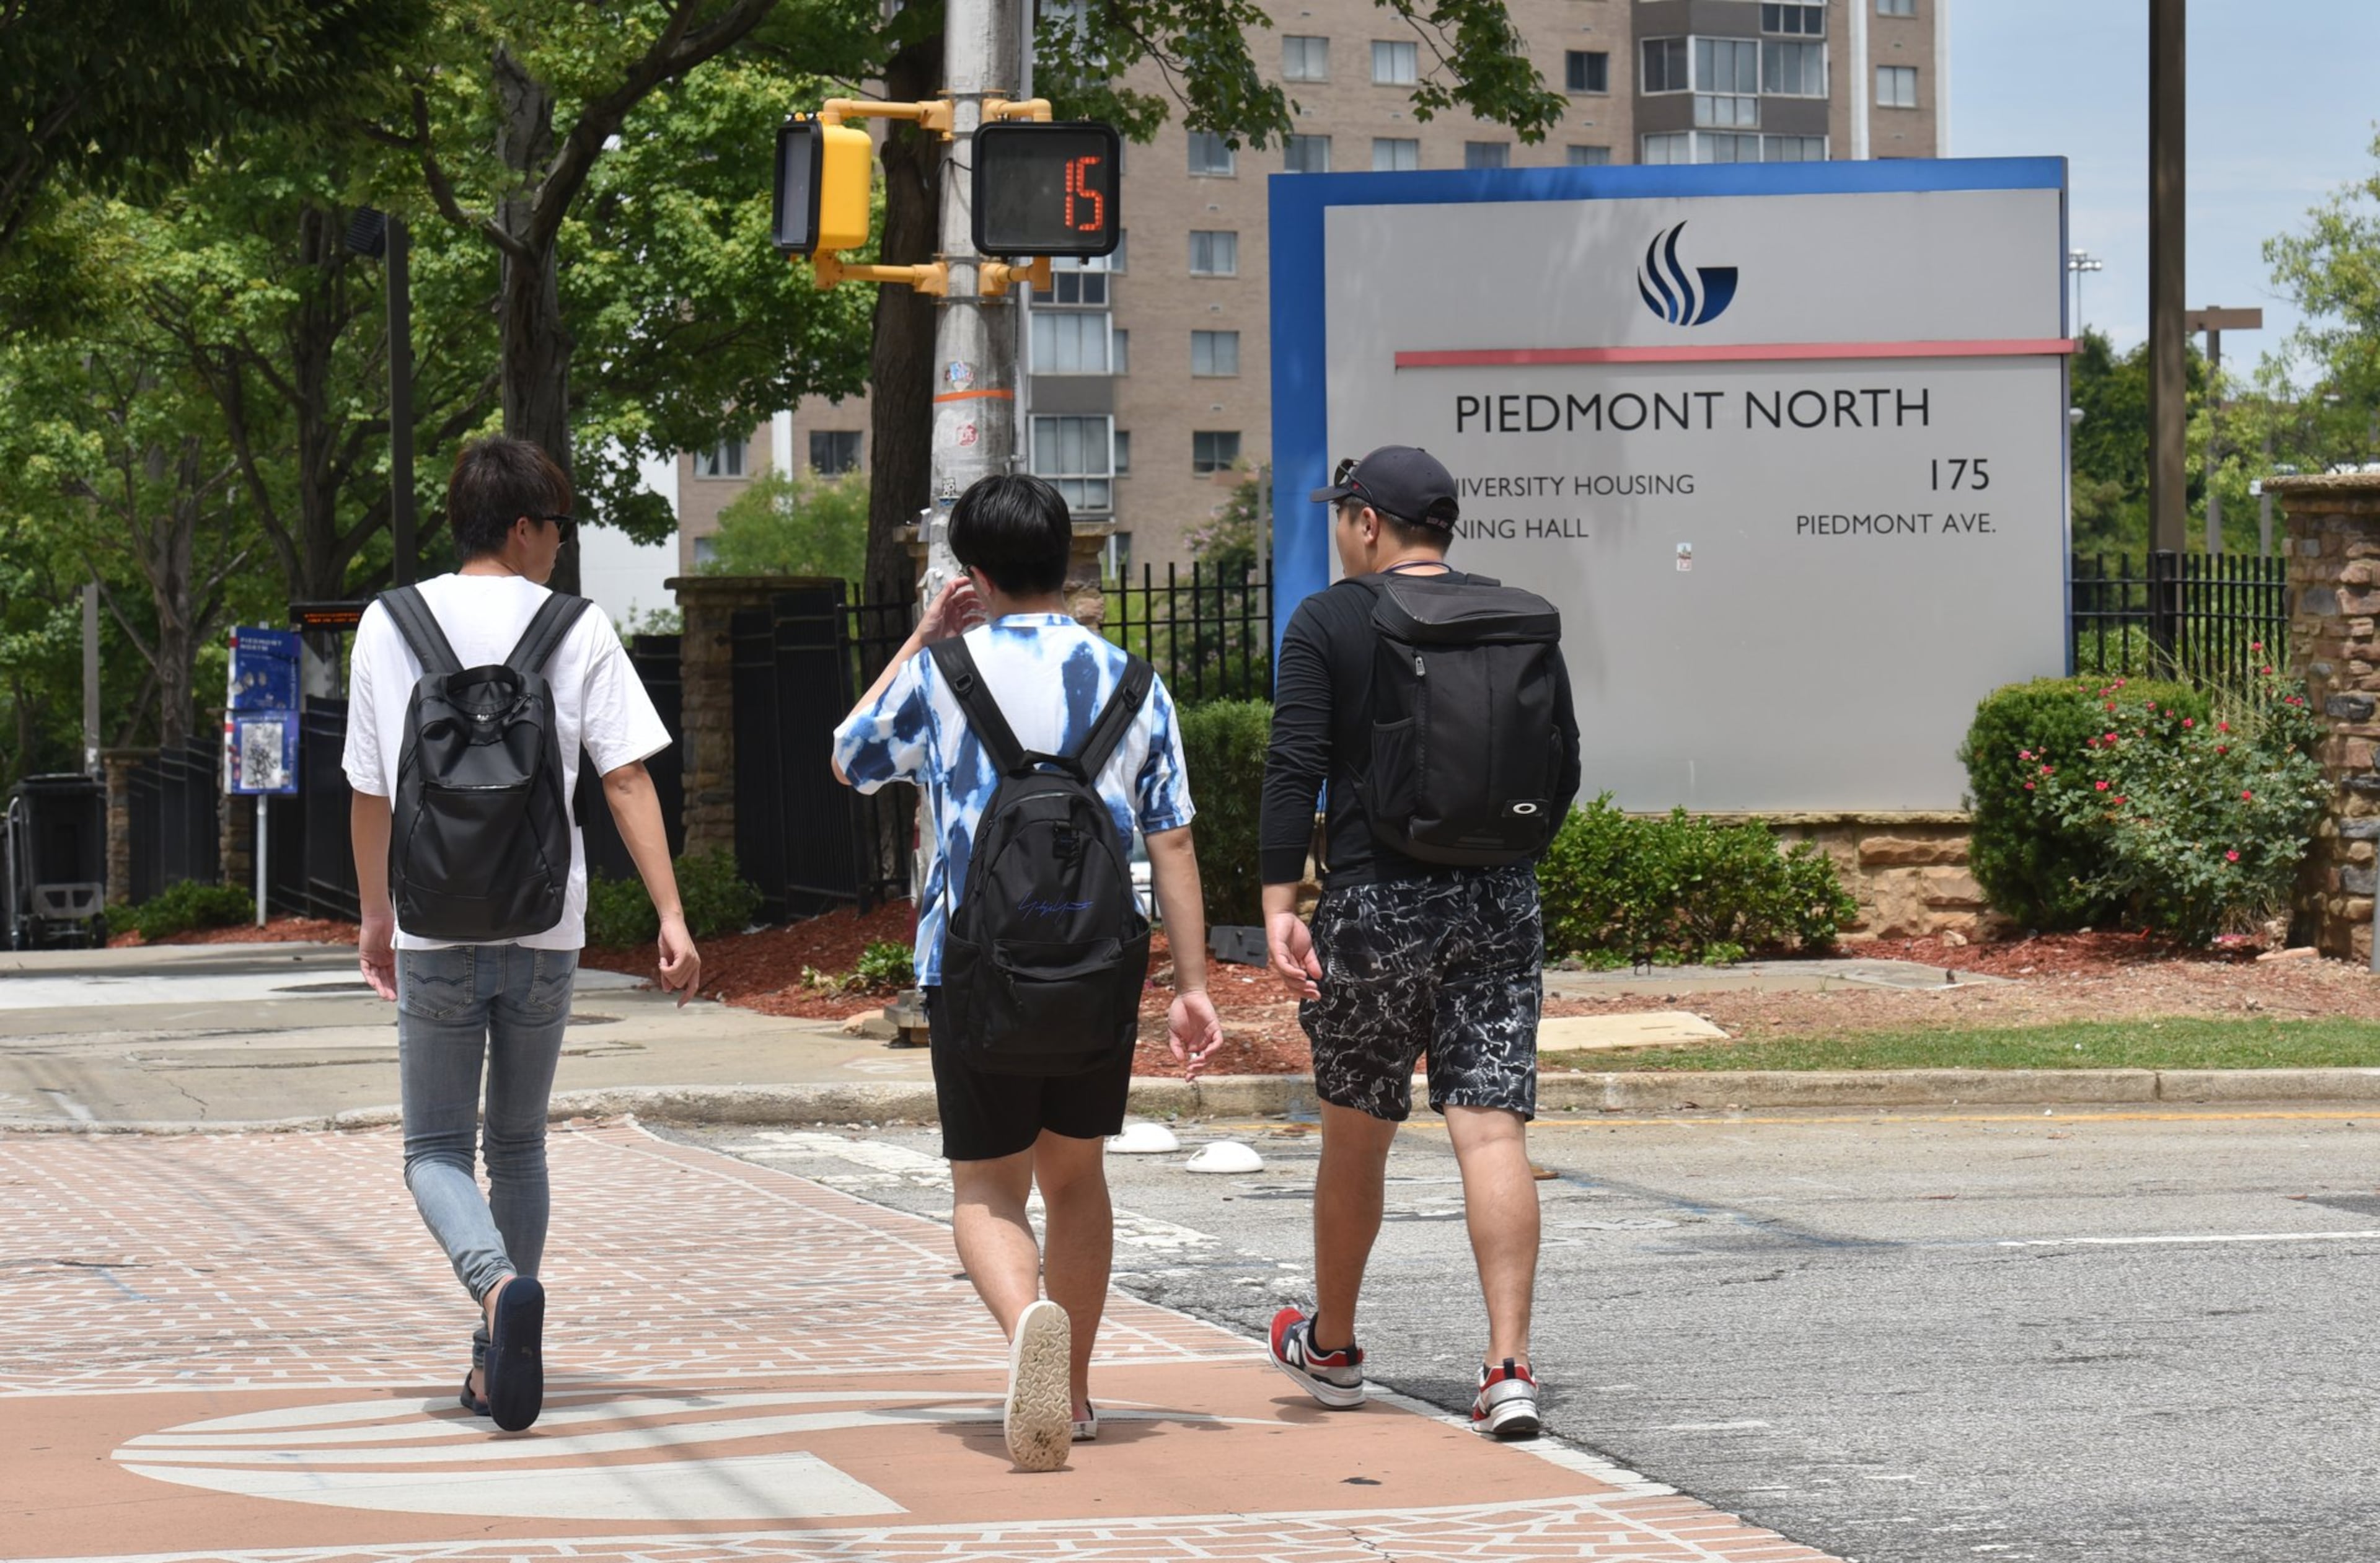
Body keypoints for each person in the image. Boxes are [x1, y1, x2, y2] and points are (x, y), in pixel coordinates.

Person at [832, 473, 1223, 1472]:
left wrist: (924, 634)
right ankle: (1078, 1389)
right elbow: (1172, 841)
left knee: (986, 1188)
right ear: (1068, 558)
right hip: (1098, 969)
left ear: (975, 572)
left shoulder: (945, 674)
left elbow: (851, 757)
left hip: (974, 969)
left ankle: (1026, 1331)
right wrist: (1192, 985)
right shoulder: (1133, 681)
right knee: (1077, 1177)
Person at [345, 437, 700, 1433]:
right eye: (555, 528)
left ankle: (497, 1293)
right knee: (519, 1145)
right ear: (520, 527)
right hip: (548, 926)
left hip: (433, 928)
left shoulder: (389, 621)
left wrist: (377, 916)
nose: (559, 547)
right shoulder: (574, 629)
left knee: (432, 1150)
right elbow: (626, 776)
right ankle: (496, 1349)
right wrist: (670, 914)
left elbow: (370, 789)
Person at [1258, 445, 1580, 1438]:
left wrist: (1278, 900)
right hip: (1498, 898)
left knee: (1357, 1129)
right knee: (1491, 1127)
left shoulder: (1330, 619)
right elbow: (1563, 764)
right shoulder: (1513, 615)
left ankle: (1338, 1348)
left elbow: (1295, 762)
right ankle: (1509, 1368)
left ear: (1367, 523)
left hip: (1378, 905)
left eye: (1343, 516)